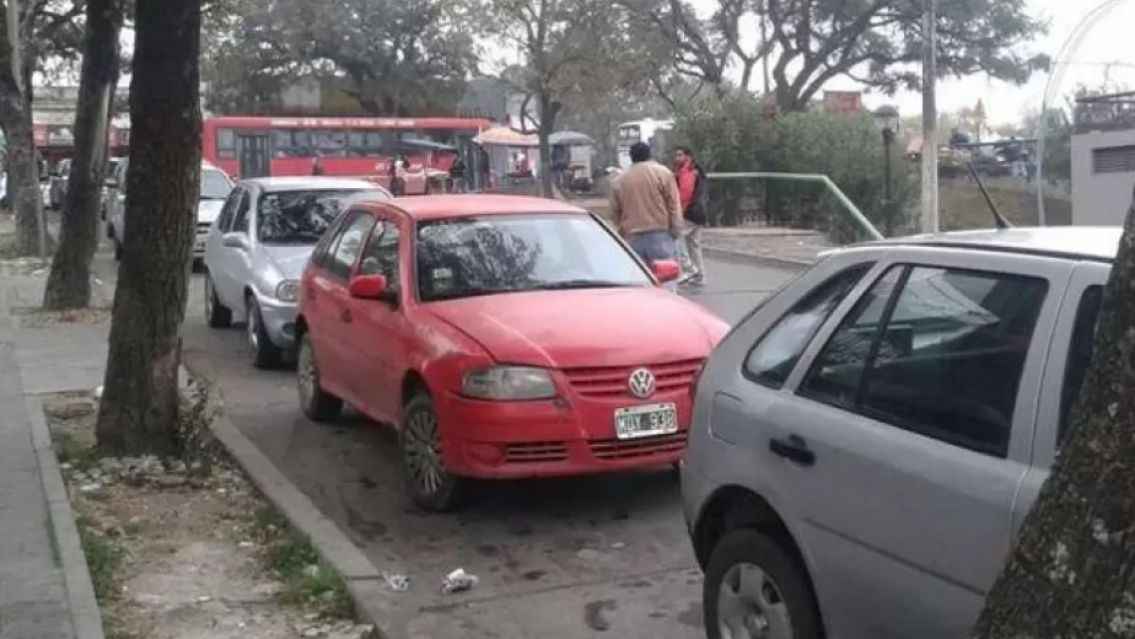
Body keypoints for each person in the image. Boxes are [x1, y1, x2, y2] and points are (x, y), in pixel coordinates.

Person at [609, 141, 682, 291]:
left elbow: (614, 212)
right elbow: (673, 204)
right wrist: (675, 229)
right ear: (649, 154)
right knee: (666, 278)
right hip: (659, 233)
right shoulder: (663, 173)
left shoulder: (620, 180)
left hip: (633, 235)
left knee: (639, 280)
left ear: (631, 157)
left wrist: (622, 230)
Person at [672, 146, 708, 286]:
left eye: (680, 155)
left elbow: (685, 194)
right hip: (699, 212)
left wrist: (679, 212)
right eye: (676, 155)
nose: (677, 158)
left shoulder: (687, 173)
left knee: (677, 238)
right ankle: (700, 275)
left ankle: (689, 269)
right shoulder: (697, 171)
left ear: (688, 156)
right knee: (694, 244)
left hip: (690, 212)